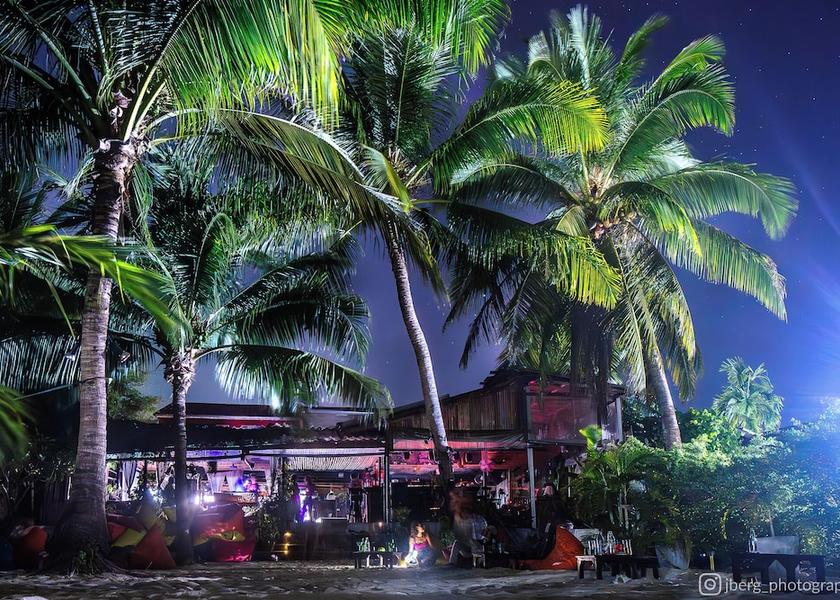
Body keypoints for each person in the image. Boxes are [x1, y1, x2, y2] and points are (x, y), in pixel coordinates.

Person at [448, 491, 487, 567]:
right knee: (457, 543)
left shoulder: (480, 520)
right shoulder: (463, 521)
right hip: (468, 547)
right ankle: (452, 563)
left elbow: (482, 536)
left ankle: (478, 563)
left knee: (470, 540)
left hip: (478, 546)